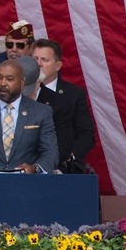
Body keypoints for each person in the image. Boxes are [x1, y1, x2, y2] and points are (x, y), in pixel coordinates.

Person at [33, 39, 96, 169]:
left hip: (62, 166)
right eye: (35, 59)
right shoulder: (22, 91)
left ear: (58, 65)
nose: (38, 64)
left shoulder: (73, 94)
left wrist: (68, 156)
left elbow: (86, 134)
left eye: (44, 60)